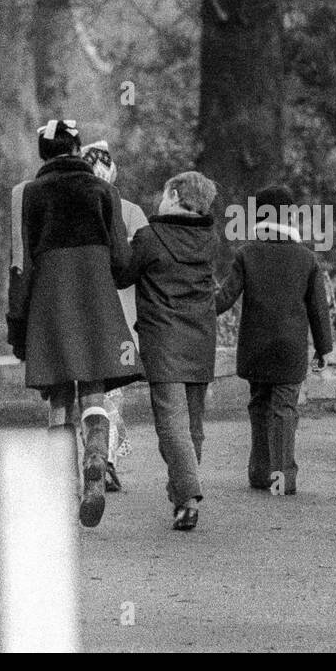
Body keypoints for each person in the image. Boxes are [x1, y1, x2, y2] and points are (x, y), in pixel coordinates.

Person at [7, 119, 144, 528]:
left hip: (51, 304)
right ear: (77, 148)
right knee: (95, 390)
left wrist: (18, 324)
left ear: (43, 155)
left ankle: (61, 487)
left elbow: (24, 264)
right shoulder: (105, 192)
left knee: (59, 397)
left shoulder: (32, 195)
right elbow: (122, 264)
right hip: (96, 300)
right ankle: (97, 464)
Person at [115, 171, 217, 531]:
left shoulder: (150, 237)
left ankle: (189, 497)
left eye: (163, 194)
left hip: (163, 340)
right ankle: (181, 498)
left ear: (174, 195)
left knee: (172, 425)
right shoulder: (209, 238)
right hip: (201, 339)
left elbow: (122, 274)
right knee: (193, 425)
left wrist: (120, 242)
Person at [215, 184, 333, 495]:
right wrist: (323, 348)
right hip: (290, 348)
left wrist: (191, 311)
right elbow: (318, 310)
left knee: (259, 404)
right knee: (284, 408)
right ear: (290, 217)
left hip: (256, 347)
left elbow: (224, 298)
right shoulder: (306, 259)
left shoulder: (246, 254)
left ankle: (259, 472)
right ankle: (283, 477)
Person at [81, 140, 149, 492]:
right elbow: (143, 261)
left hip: (86, 308)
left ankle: (88, 455)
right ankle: (106, 459)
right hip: (123, 311)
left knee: (85, 389)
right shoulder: (132, 212)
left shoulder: (77, 210)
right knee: (113, 393)